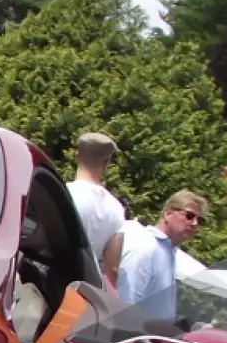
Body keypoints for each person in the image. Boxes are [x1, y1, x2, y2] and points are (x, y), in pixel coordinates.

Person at [114, 190, 207, 322]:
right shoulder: (146, 245)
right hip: (133, 335)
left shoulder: (169, 251)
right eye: (189, 216)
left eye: (200, 220)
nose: (195, 223)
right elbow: (126, 298)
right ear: (168, 213)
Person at [65, 133, 128, 287]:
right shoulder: (116, 208)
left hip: (47, 279)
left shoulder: (63, 192)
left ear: (78, 156)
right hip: (83, 287)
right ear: (107, 163)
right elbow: (112, 269)